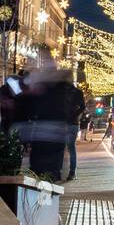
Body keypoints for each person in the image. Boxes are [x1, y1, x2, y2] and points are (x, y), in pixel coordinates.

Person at [13, 51, 69, 179]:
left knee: (43, 172)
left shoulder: (49, 89)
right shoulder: (59, 88)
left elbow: (26, 107)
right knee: (45, 172)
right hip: (47, 137)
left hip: (46, 136)